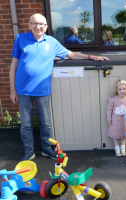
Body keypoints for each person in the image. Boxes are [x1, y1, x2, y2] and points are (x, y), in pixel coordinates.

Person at [10, 13, 109, 162]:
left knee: (46, 123)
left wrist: (92, 57)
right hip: (23, 90)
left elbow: (71, 55)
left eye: (41, 24)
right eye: (35, 23)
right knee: (26, 124)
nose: (38, 26)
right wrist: (12, 90)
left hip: (42, 90)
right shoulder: (20, 39)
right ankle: (29, 151)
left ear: (46, 27)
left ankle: (46, 149)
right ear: (29, 25)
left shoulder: (51, 42)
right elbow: (13, 65)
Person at [107, 79, 126, 157]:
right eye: (120, 89)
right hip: (115, 122)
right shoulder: (113, 100)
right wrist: (109, 118)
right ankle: (117, 149)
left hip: (124, 122)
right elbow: (109, 109)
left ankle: (123, 149)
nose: (122, 91)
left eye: (124, 89)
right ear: (116, 90)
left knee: (123, 135)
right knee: (115, 135)